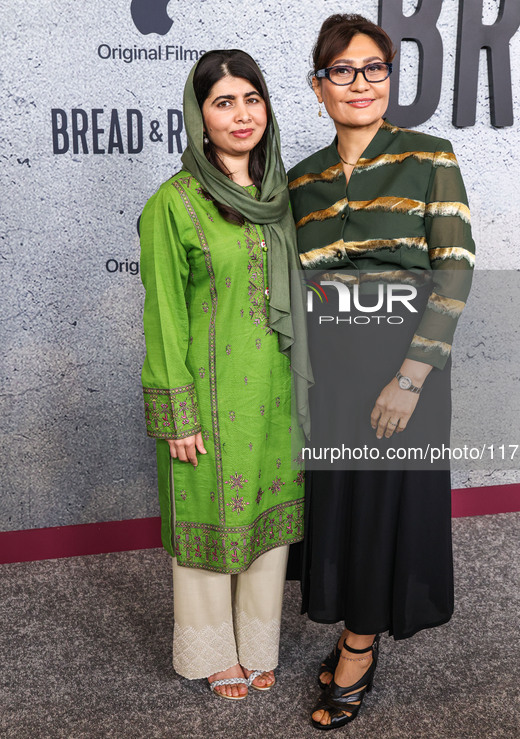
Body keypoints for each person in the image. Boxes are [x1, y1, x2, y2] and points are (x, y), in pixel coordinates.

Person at [288, 14, 475, 729]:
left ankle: (359, 648)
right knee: (340, 502)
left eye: (372, 68)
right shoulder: (300, 180)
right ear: (317, 87)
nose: (358, 83)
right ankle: (348, 622)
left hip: (403, 366)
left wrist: (411, 375)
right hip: (328, 373)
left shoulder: (429, 156)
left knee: (384, 505)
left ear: (388, 80)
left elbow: (454, 270)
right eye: (341, 70)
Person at [140, 50, 311, 700]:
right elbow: (162, 317)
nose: (240, 115)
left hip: (272, 394)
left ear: (266, 107)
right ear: (199, 115)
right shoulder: (173, 205)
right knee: (208, 527)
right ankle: (212, 651)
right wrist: (175, 413)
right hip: (208, 401)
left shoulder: (281, 197)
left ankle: (258, 644)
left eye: (251, 99)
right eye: (222, 102)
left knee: (265, 528)